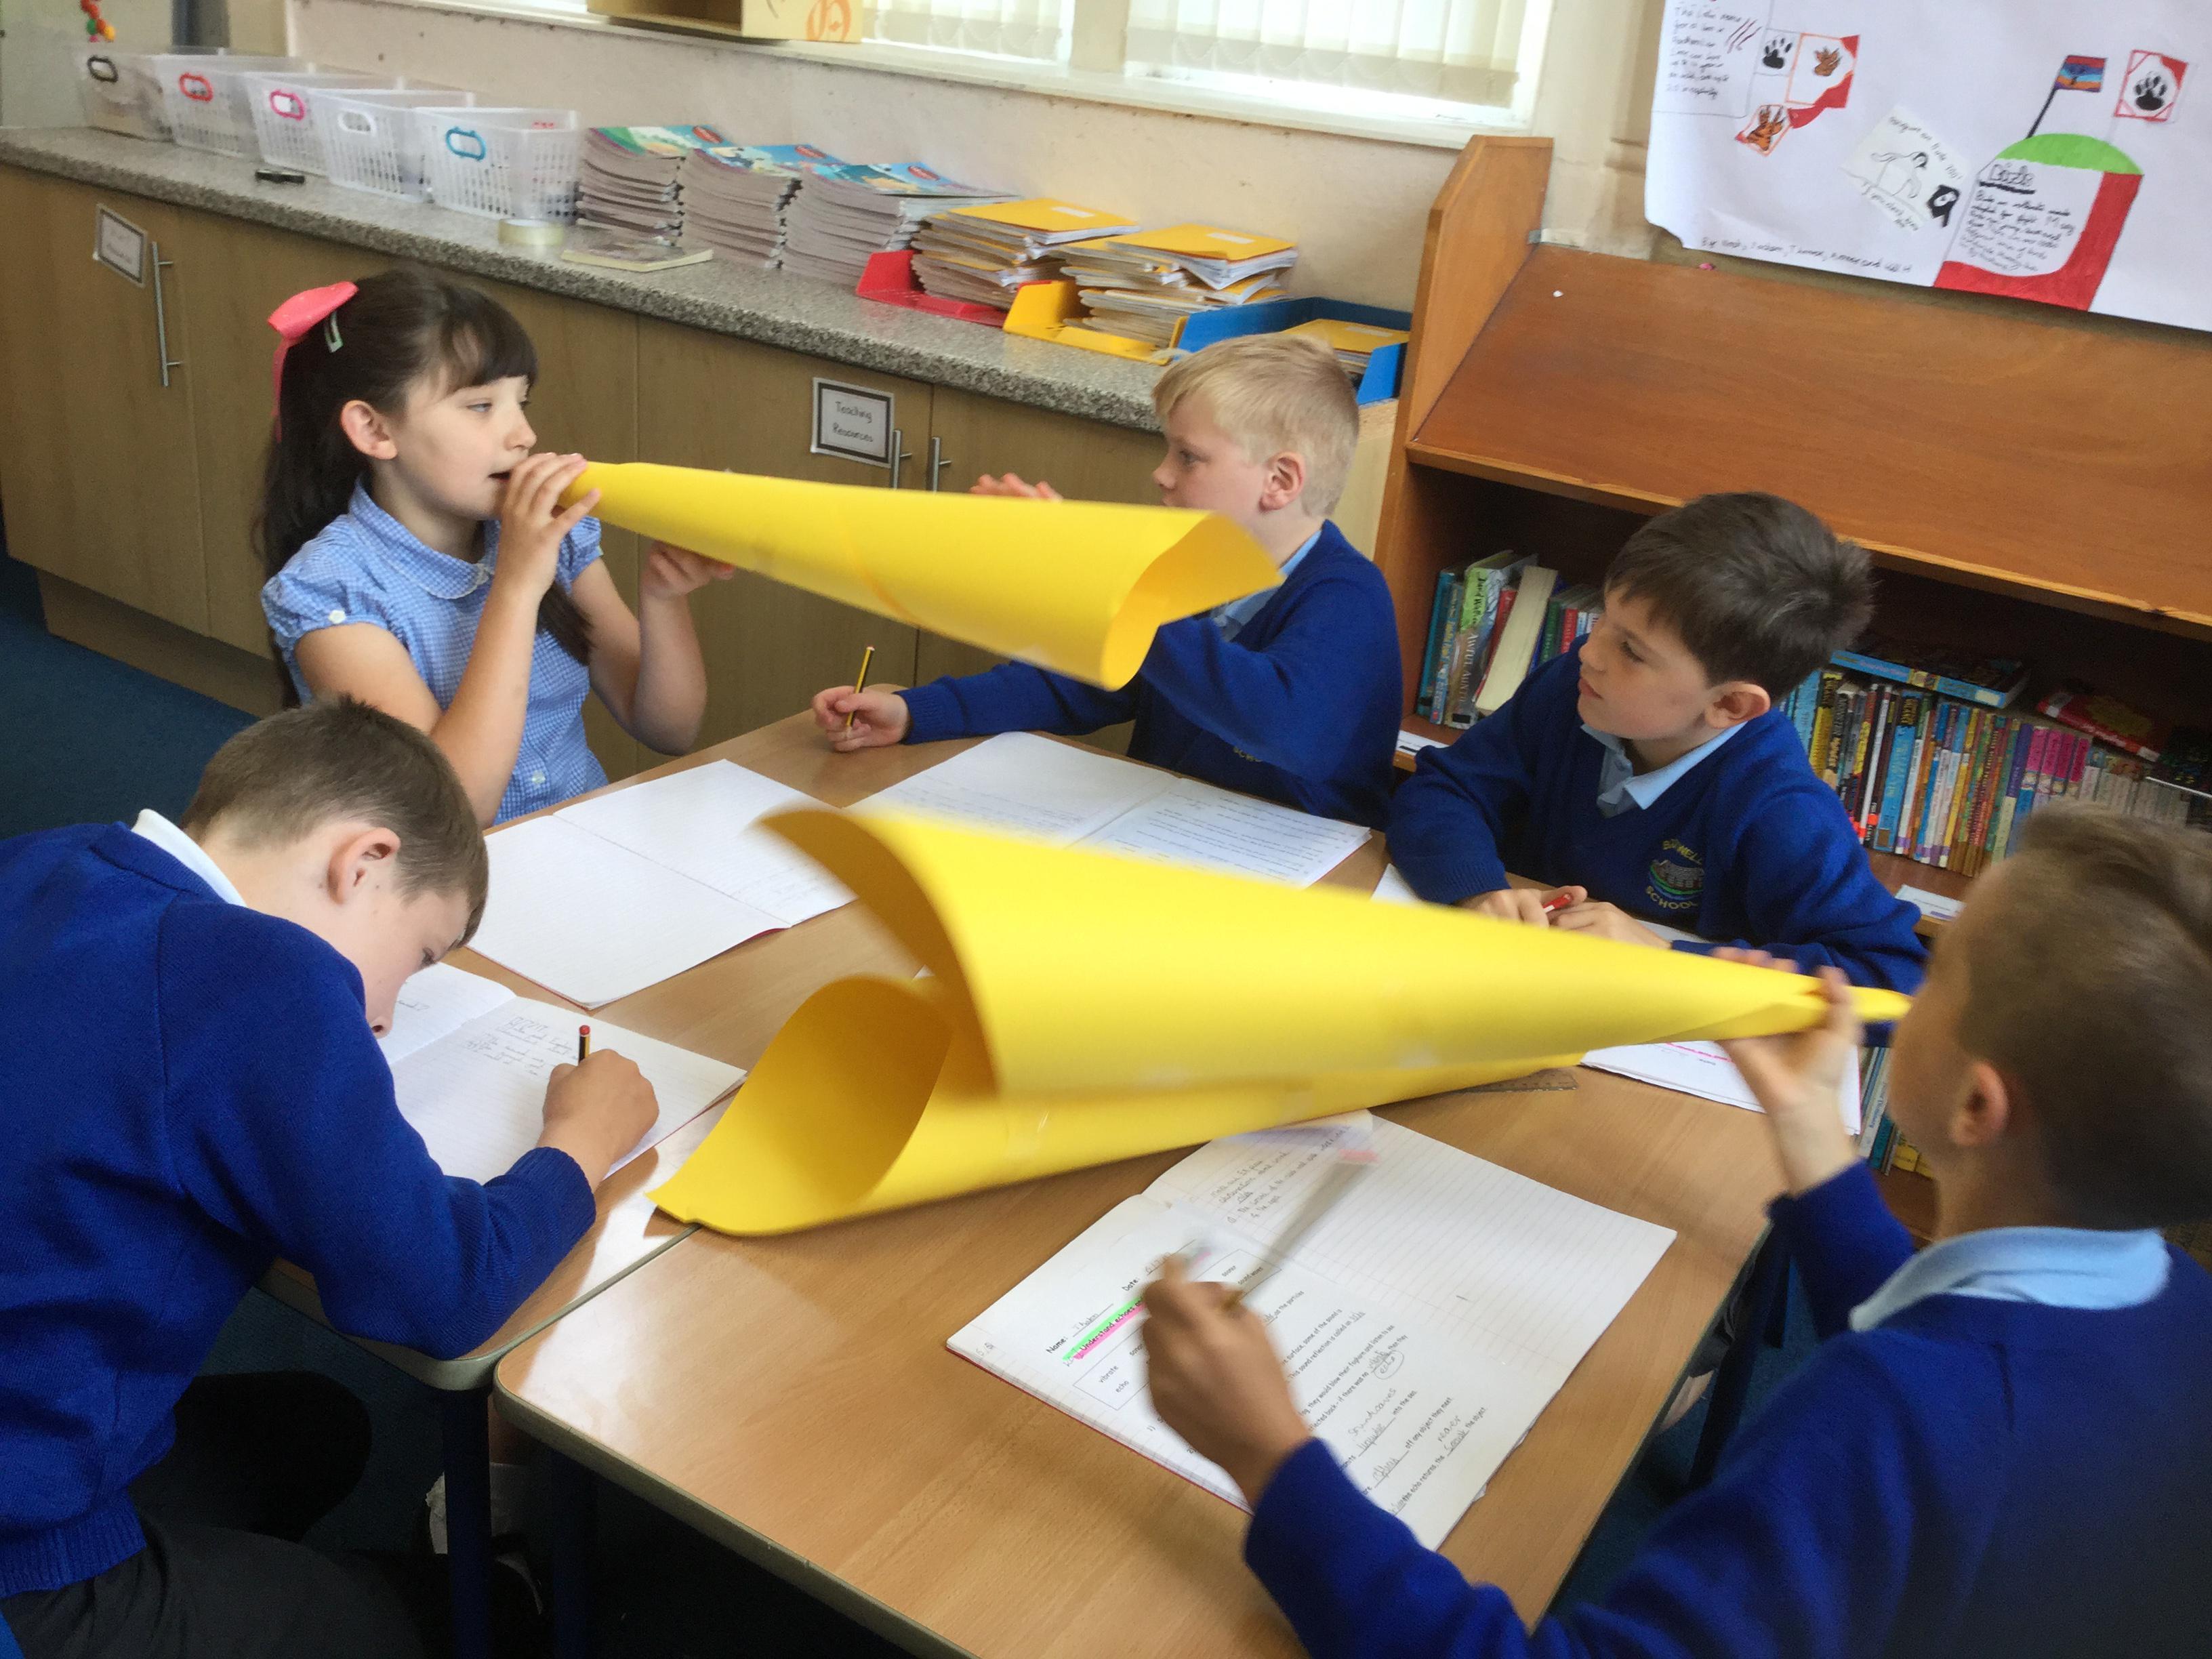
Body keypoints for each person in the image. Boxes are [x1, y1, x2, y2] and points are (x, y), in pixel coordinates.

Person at [1140, 807, 2212, 1657]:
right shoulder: (2170, 1300)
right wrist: (1814, 1133)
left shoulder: (1887, 1419)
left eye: (1944, 972)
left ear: (1976, 1108)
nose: (1913, 988)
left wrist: (1270, 1455)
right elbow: (1960, 1342)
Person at [0, 699, 659, 1658]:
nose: (384, 1015)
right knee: (477, 1619)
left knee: (320, 1428)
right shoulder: (262, 974)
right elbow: (442, 1291)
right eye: (419, 958)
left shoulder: (42, 860)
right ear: (364, 863)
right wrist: (579, 1145)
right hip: (26, 1565)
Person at [810, 333, 1403, 827]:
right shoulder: (1186, 574)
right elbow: (1081, 685)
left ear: (1280, 481)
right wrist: (915, 713)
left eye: (1188, 457)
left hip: (1306, 875)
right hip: (1169, 836)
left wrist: (1108, 578)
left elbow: (1279, 725)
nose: (1161, 474)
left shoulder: (1348, 599)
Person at [1389, 492, 1925, 991]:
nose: (1589, 651)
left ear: (1730, 705)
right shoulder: (1571, 689)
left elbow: (1892, 975)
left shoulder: (1779, 807)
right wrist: (1479, 891)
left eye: (1632, 651)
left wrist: (1667, 956)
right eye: (1604, 617)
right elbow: (1446, 790)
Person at [258, 269, 733, 826]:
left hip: (580, 842)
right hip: (451, 868)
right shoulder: (333, 589)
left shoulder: (549, 537)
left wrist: (663, 596)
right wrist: (516, 586)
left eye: (521, 402)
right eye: (481, 406)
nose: (524, 435)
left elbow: (670, 730)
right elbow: (456, 810)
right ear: (375, 430)